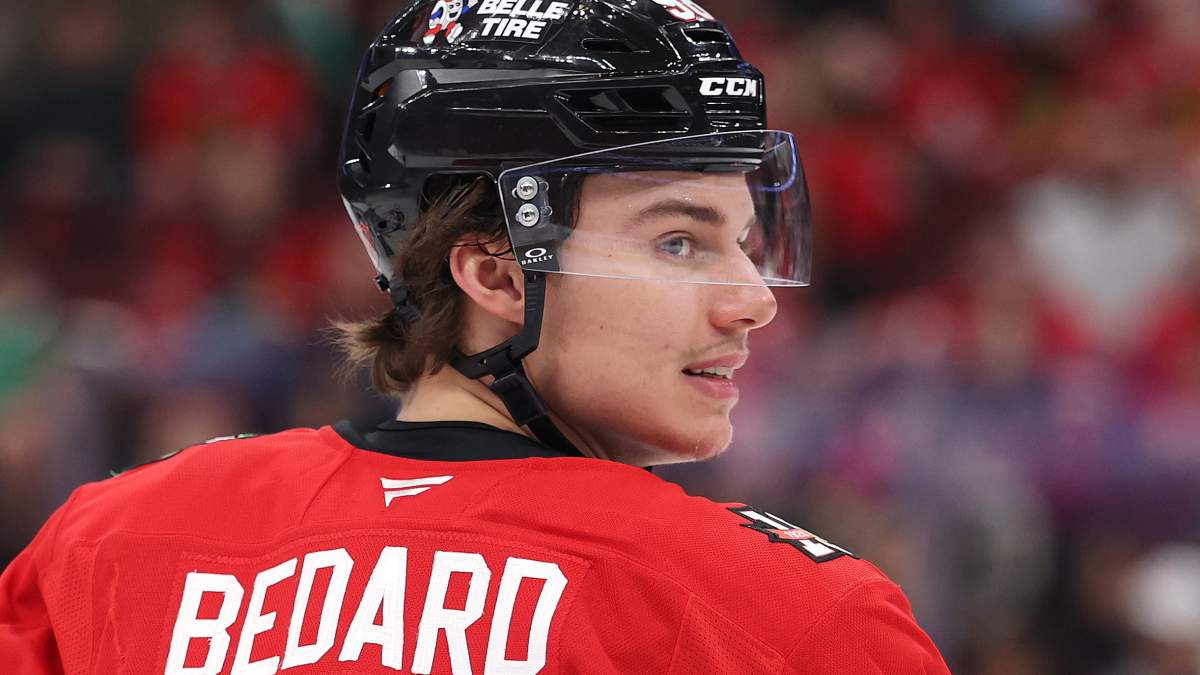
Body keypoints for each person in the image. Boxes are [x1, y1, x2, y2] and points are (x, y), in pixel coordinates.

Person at [0, 0, 951, 672]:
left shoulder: (111, 547)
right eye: (678, 240)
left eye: (743, 242)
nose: (753, 301)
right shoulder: (787, 620)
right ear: (494, 274)